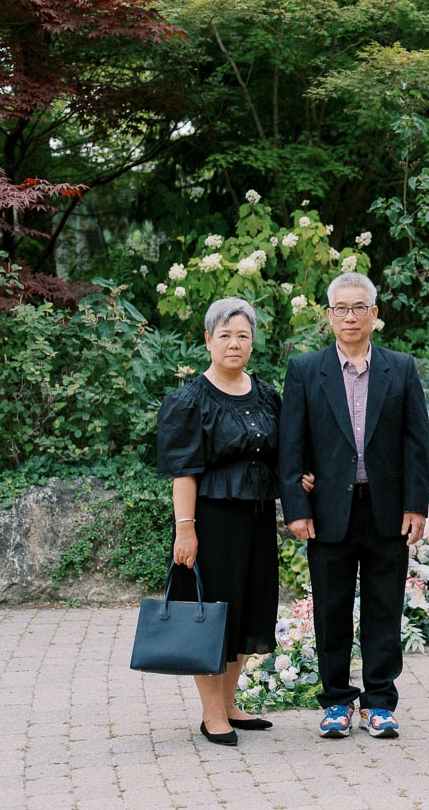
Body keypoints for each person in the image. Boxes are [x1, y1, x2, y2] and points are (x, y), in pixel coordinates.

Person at [279, 272, 429, 739]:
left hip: (386, 509)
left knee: (385, 608)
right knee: (331, 608)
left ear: (374, 315)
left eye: (359, 308)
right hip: (327, 511)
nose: (350, 316)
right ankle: (336, 702)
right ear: (328, 316)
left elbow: (416, 443)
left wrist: (416, 506)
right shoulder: (306, 370)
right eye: (341, 308)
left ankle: (380, 702)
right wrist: (297, 507)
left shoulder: (400, 368)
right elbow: (292, 444)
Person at [158, 298, 285, 746]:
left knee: (247, 610)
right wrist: (185, 527)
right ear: (208, 340)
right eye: (226, 335)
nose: (235, 343)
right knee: (210, 615)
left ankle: (230, 703)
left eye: (243, 335)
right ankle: (213, 714)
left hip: (256, 519)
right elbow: (184, 470)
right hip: (211, 522)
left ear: (253, 342)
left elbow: (281, 455)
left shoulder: (267, 394)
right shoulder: (190, 399)